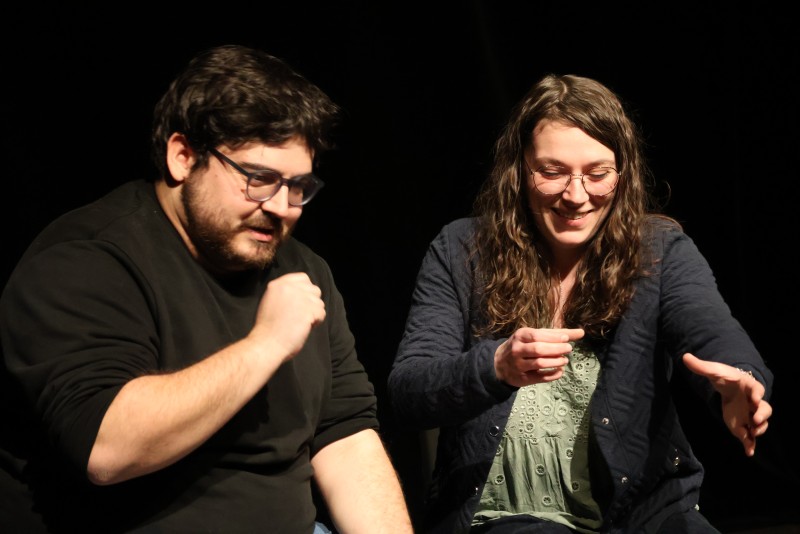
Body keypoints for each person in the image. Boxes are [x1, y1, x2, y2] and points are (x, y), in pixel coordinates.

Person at [0, 44, 412, 533]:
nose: (282, 206)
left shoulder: (304, 270)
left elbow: (344, 436)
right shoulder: (87, 258)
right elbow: (106, 449)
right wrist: (266, 344)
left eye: (298, 185)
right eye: (259, 178)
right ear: (183, 157)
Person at [387, 73, 774, 533]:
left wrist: (741, 382)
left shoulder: (658, 249)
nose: (576, 195)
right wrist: (496, 367)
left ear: (622, 175)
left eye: (597, 174)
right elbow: (410, 391)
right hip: (506, 517)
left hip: (643, 514)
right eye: (552, 172)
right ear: (519, 170)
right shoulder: (462, 250)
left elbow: (711, 331)